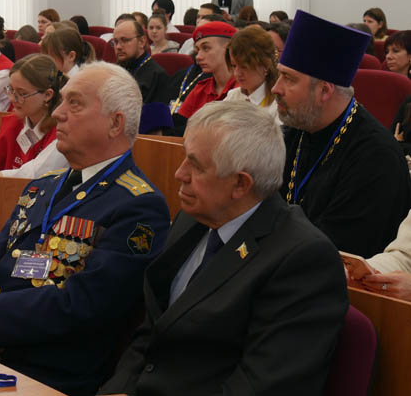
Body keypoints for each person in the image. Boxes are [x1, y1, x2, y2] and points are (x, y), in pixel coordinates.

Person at [0, 62, 170, 395]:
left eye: (74, 103)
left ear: (115, 123)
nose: (58, 113)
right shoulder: (43, 186)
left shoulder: (139, 206)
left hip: (50, 376)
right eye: (62, 101)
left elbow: (86, 305)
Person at [99, 100, 348, 396]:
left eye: (196, 165)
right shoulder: (193, 218)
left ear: (240, 184)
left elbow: (261, 385)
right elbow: (152, 332)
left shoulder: (302, 260)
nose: (180, 173)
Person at [274, 10, 411, 256]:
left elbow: (338, 253)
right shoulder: (295, 131)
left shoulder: (377, 158)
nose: (276, 88)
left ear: (324, 91)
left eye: (288, 79)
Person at [171, 21, 238, 135]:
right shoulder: (200, 90)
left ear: (228, 49)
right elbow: (183, 131)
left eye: (206, 48)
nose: (198, 57)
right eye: (197, 50)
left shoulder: (244, 89)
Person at [224, 26, 279, 121]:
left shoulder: (278, 104)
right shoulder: (232, 96)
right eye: (234, 66)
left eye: (244, 67)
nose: (237, 73)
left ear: (265, 65)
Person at [113, 20, 170, 104]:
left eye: (125, 40)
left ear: (141, 42)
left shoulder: (158, 76)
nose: (118, 47)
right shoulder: (114, 71)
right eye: (115, 42)